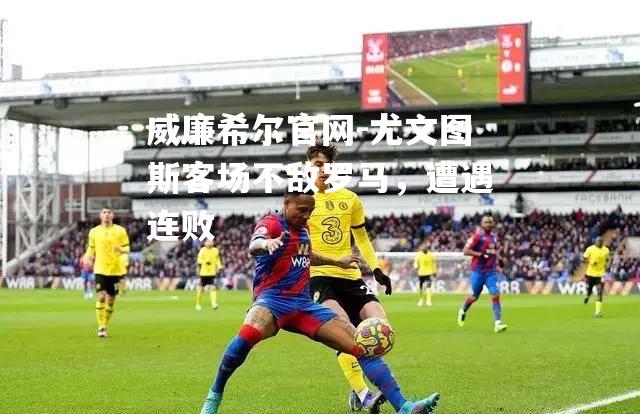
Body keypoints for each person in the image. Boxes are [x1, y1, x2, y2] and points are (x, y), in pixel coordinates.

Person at [199, 190, 440, 414]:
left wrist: (338, 262)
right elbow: (255, 245)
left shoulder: (303, 231)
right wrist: (266, 244)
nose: (306, 216)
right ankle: (214, 395)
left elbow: (309, 254)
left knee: (360, 345)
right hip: (272, 300)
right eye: (301, 210)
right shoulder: (271, 223)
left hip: (303, 306)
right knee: (248, 334)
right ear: (286, 202)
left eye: (310, 212)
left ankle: (405, 407)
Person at [305, 142, 394, 411]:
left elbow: (362, 238)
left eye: (327, 165)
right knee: (344, 330)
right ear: (308, 167)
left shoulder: (350, 199)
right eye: (317, 164)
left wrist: (376, 268)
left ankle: (360, 391)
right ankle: (362, 391)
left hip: (351, 276)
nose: (323, 170)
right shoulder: (302, 199)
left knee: (382, 329)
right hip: (319, 276)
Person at [83, 207, 130, 338]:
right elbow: (91, 248)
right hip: (100, 268)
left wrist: (120, 249)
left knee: (110, 300)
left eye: (109, 212)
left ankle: (105, 324)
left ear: (113, 215)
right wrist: (87, 256)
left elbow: (127, 248)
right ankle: (101, 326)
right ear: (100, 215)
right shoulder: (94, 232)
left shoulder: (120, 231)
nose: (106, 215)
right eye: (104, 212)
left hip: (115, 270)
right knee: (101, 296)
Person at [457, 215, 507, 333]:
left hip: (490, 272)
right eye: (486, 222)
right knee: (474, 296)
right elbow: (465, 251)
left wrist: (500, 260)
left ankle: (497, 323)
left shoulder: (494, 238)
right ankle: (463, 310)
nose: (488, 224)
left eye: (490, 222)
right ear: (482, 224)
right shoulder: (477, 236)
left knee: (495, 294)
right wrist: (479, 254)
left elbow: (494, 251)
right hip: (478, 272)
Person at [582, 236, 610, 317]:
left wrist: (608, 265)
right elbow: (584, 259)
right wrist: (590, 261)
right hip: (590, 274)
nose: (600, 243)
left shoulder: (606, 250)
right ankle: (587, 296)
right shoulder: (590, 249)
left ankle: (597, 312)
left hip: (600, 274)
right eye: (598, 241)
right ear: (595, 242)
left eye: (601, 241)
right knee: (589, 290)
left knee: (599, 291)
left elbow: (608, 259)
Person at [196, 239, 223, 310]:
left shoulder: (215, 250)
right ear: (205, 243)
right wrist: (205, 262)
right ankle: (198, 304)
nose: (209, 243)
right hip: (204, 272)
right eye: (208, 241)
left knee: (212, 287)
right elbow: (199, 260)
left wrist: (219, 266)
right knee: (201, 288)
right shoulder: (202, 250)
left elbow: (217, 259)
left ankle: (214, 304)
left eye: (211, 241)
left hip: (212, 272)